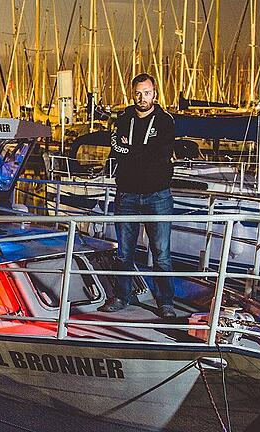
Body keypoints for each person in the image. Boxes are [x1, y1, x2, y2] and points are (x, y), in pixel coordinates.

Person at [97, 73, 176, 318]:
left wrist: (132, 150)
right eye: (139, 93)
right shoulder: (122, 119)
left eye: (147, 92)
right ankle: (122, 296)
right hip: (127, 194)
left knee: (161, 252)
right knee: (124, 251)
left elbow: (160, 153)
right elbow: (117, 150)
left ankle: (166, 302)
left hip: (158, 195)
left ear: (155, 93)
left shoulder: (165, 121)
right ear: (133, 94)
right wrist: (136, 151)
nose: (143, 97)